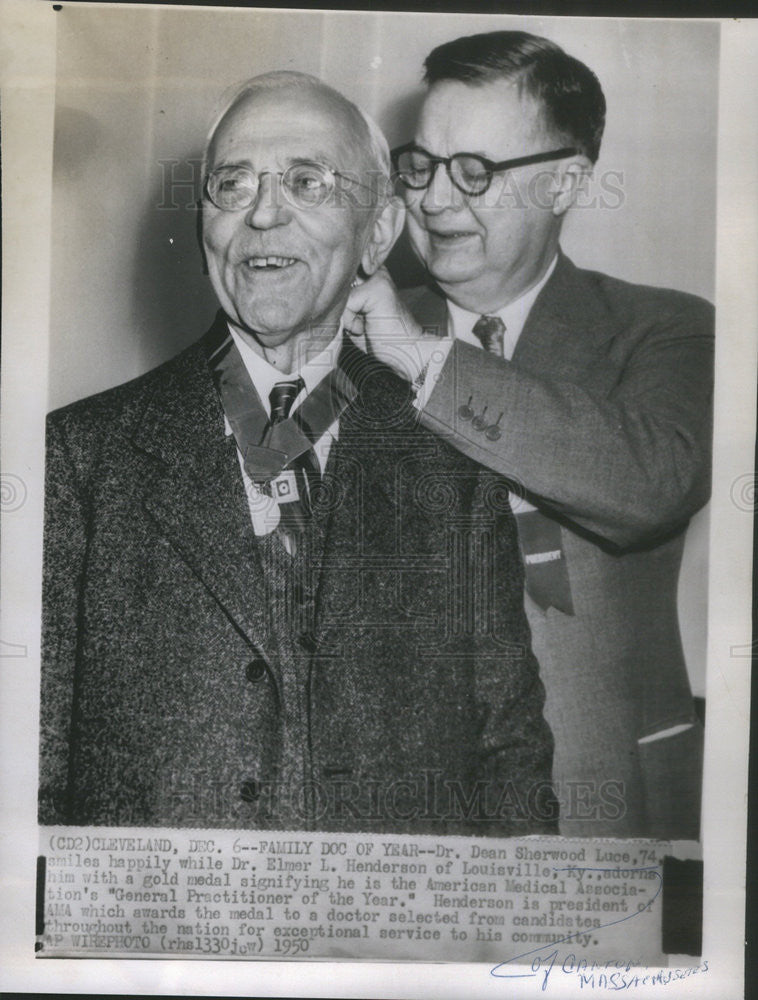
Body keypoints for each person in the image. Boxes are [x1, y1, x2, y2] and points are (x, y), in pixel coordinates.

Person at [38, 71, 556, 835]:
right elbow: (26, 777)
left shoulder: (455, 465)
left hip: (387, 943)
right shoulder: (79, 459)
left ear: (378, 233)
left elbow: (511, 764)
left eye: (307, 183)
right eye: (231, 185)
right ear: (204, 221)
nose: (264, 215)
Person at [345, 32, 713, 838]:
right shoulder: (356, 328)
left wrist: (422, 360)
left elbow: (652, 480)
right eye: (421, 166)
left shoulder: (668, 330)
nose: (435, 202)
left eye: (475, 172)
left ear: (565, 181)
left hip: (604, 791)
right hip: (404, 798)